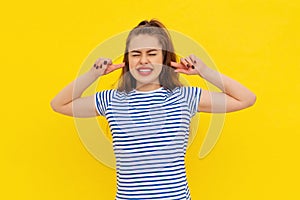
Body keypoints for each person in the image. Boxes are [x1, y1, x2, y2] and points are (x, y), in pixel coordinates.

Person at [51, 19, 256, 200]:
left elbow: (246, 98)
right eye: (136, 54)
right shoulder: (112, 100)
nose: (143, 60)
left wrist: (205, 72)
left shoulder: (184, 96)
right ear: (127, 60)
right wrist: (91, 76)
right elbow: (59, 104)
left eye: (151, 53)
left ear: (164, 58)